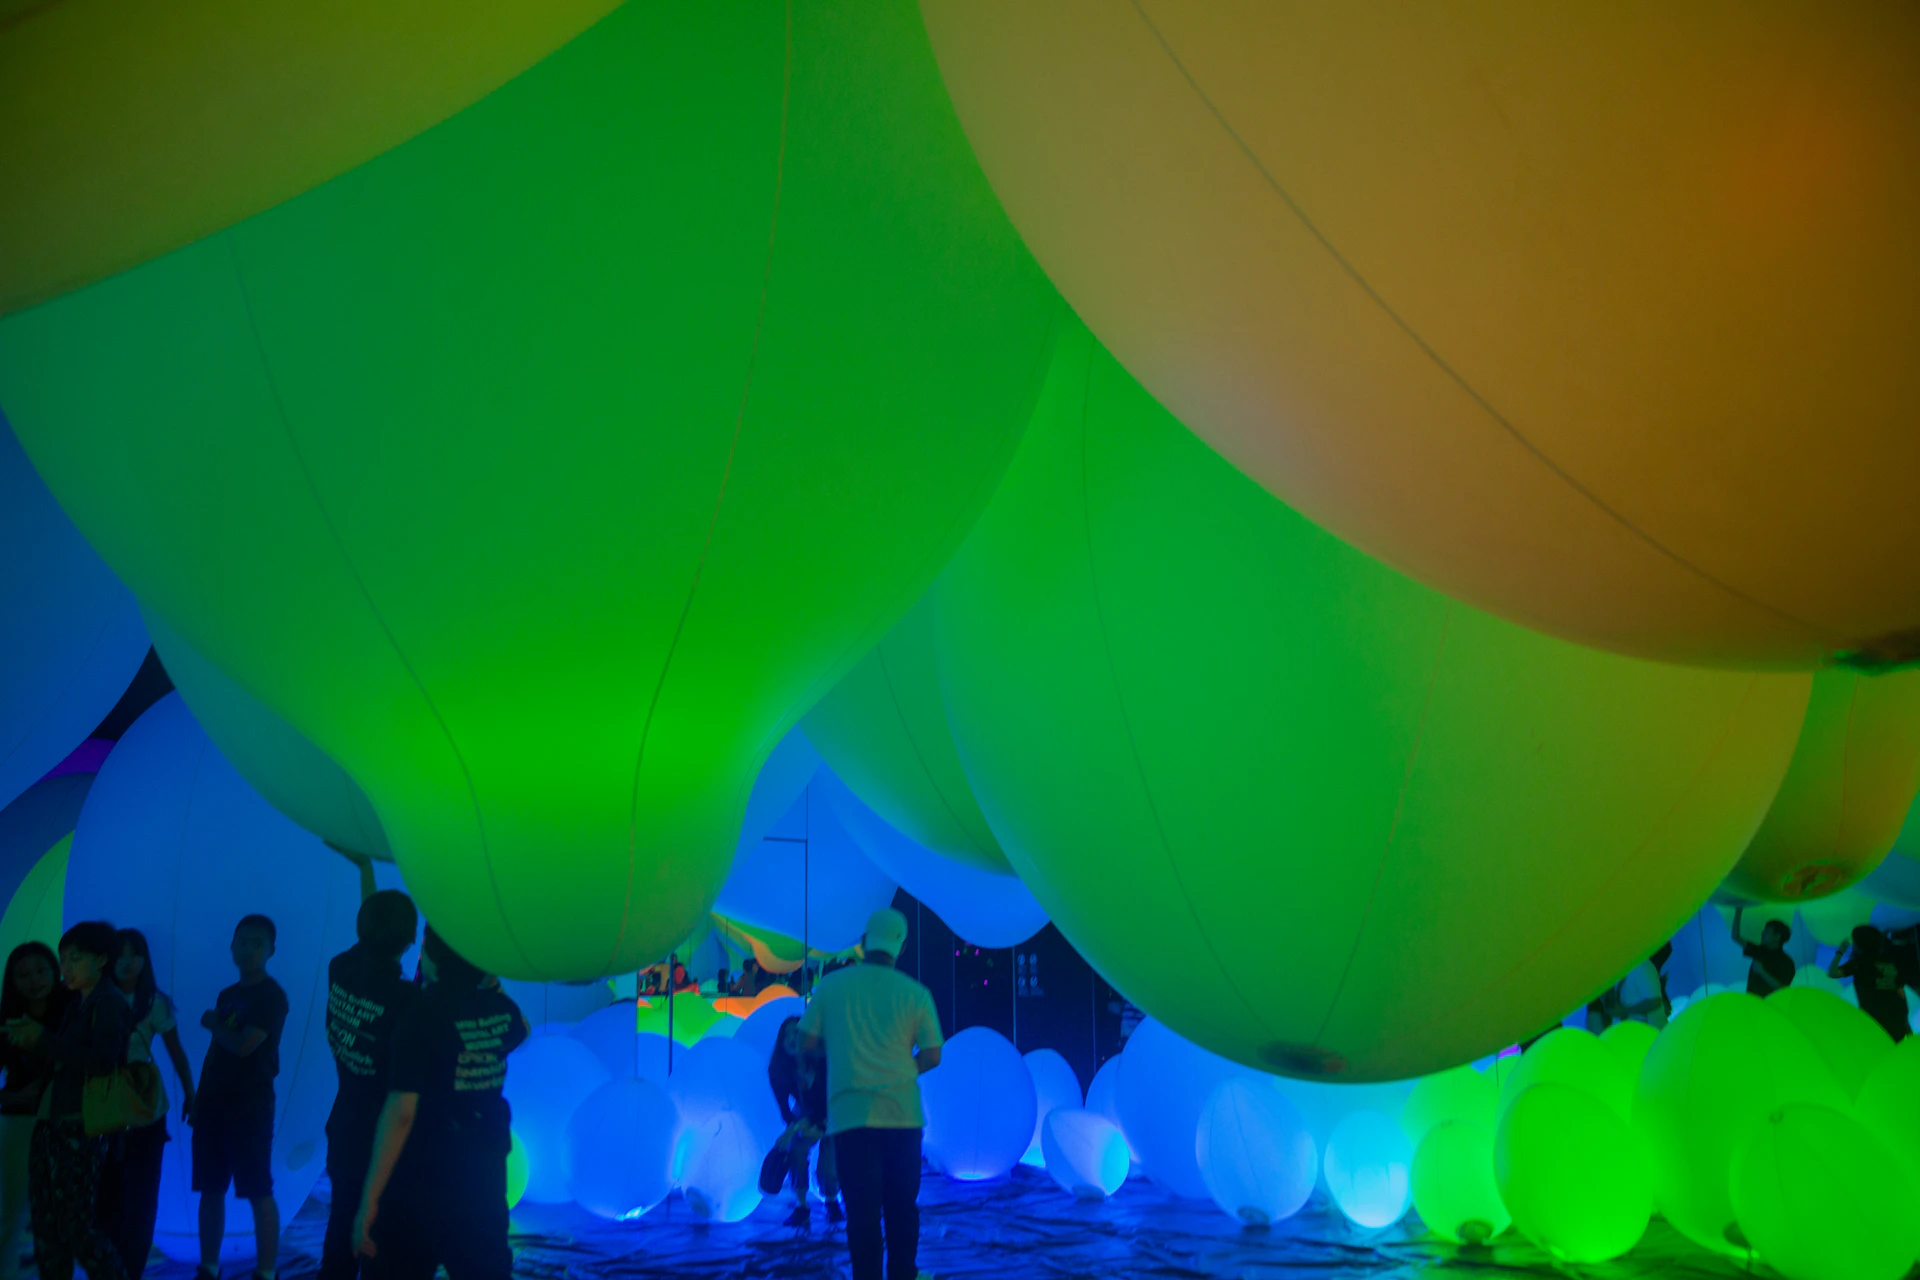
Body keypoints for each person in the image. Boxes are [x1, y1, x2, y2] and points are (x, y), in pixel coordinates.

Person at [353, 926, 528, 1280]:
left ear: (431, 957)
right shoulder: (502, 1008)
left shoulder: (420, 1014)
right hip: (484, 1177)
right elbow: (521, 1028)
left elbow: (402, 1113)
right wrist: (491, 983)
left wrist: (369, 1199)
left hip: (423, 1179)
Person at [795, 908, 943, 1280]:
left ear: (862, 943)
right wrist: (905, 1068)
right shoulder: (917, 994)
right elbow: (933, 1054)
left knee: (861, 1212)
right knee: (902, 1210)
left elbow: (805, 1040)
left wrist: (837, 1051)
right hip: (902, 1116)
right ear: (902, 948)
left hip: (851, 1115)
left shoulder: (832, 986)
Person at [9, 921, 132, 1280]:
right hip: (54, 1121)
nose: (66, 967)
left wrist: (42, 1040)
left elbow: (103, 1063)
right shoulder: (79, 1003)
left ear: (101, 959)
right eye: (63, 959)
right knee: (48, 1225)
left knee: (75, 1225)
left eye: (74, 959)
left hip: (81, 1126)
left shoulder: (108, 1003)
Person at [320, 891, 419, 1280]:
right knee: (379, 1242)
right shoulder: (406, 1001)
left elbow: (371, 935)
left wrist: (364, 869)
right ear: (410, 942)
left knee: (341, 1230)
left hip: (345, 1125)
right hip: (384, 1140)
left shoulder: (339, 967)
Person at [193, 914, 288, 1280]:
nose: (248, 949)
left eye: (257, 943)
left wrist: (214, 1023)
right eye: (243, 941)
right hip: (215, 1103)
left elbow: (245, 1045)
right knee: (210, 1188)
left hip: (250, 1105)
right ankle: (209, 1267)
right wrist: (199, 1096)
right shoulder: (228, 995)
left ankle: (266, 1272)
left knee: (257, 1189)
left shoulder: (272, 996)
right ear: (232, 945)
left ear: (270, 950)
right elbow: (217, 1051)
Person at [97, 929, 196, 1280]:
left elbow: (177, 1052)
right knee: (106, 1198)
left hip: (144, 1109)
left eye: (134, 953)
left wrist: (190, 1094)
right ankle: (109, 1270)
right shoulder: (93, 997)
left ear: (144, 958)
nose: (127, 962)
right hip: (103, 1110)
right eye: (119, 954)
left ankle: (131, 1271)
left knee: (141, 1200)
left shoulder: (155, 1002)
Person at [0, 943, 69, 1280]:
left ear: (55, 970)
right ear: (11, 980)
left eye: (40, 970)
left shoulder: (74, 1011)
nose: (34, 980)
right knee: (11, 1208)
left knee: (61, 1213)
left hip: (64, 1122)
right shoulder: (5, 1021)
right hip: (19, 1120)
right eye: (23, 974)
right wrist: (11, 1098)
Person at [768, 1015, 841, 1228]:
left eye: (797, 1033)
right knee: (796, 1150)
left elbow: (831, 1101)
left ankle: (832, 1201)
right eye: (787, 1034)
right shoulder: (778, 1071)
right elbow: (786, 1112)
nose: (792, 1038)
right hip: (806, 1112)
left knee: (829, 1160)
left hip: (832, 1110)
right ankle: (802, 1208)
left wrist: (814, 1128)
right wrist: (797, 1127)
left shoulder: (824, 1061)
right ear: (781, 1041)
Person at [1830, 925, 1917, 1043]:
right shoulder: (1890, 962)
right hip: (1896, 1018)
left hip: (1873, 1021)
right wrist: (1906, 1023)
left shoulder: (1858, 964)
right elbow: (1901, 993)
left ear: (1859, 945)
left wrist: (1840, 951)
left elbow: (1833, 972)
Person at [1731, 907, 1796, 996]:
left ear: (1777, 936)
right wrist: (1738, 912)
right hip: (1752, 1004)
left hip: (1771, 1006)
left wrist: (1761, 972)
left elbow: (1783, 989)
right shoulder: (1759, 951)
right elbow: (1736, 936)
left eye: (1767, 932)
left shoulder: (1787, 962)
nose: (1762, 933)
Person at [1614, 951, 1669, 1029]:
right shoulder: (1620, 973)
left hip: (1653, 1033)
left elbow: (1654, 1001)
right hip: (1634, 1033)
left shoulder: (1642, 966)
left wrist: (1625, 1011)